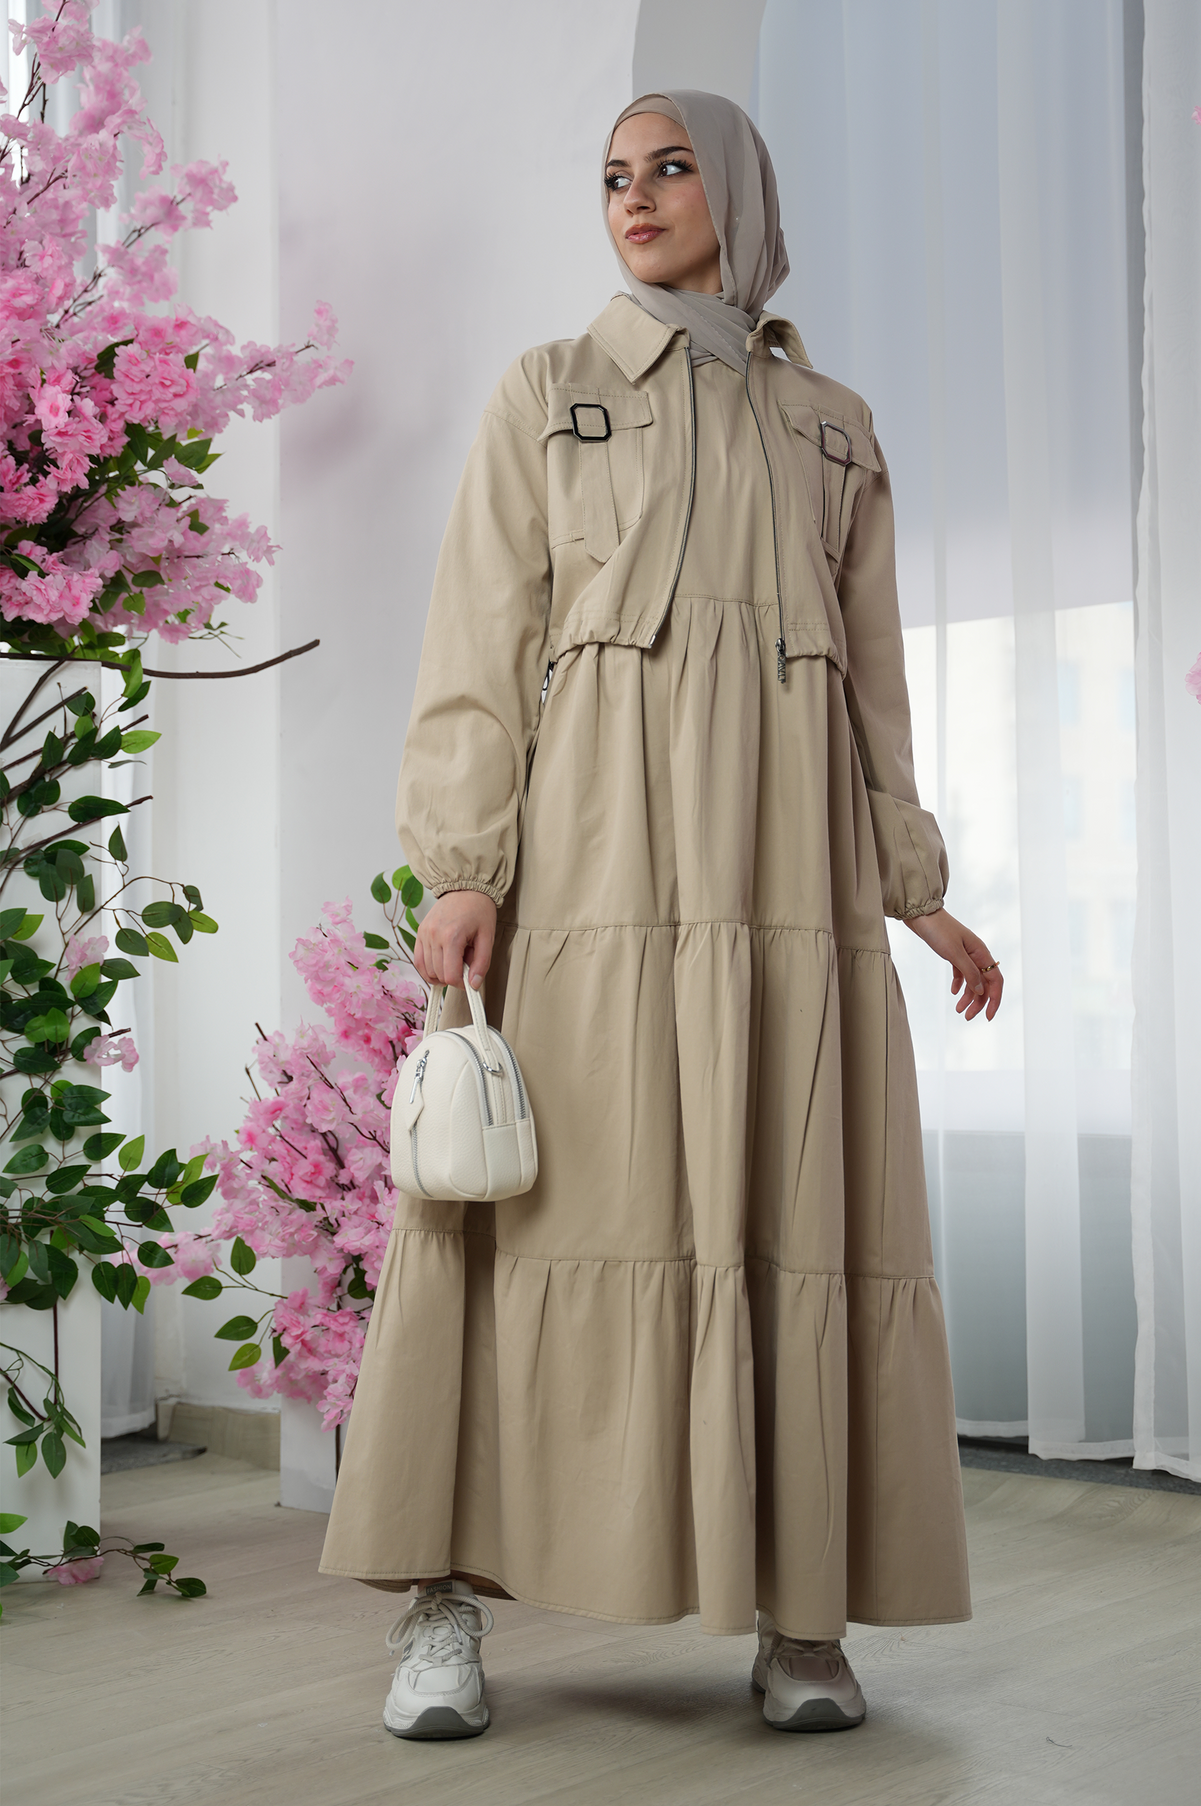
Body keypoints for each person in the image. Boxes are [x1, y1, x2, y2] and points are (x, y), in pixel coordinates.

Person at [320, 88, 1003, 1740]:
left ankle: (801, 1620)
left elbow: (875, 689)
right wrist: (465, 863)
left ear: (741, 193)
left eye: (673, 167)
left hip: (792, 884)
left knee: (795, 1218)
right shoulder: (550, 396)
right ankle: (438, 1605)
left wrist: (917, 888)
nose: (636, 197)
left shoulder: (834, 427)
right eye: (616, 175)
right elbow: (480, 646)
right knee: (539, 1215)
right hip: (595, 871)